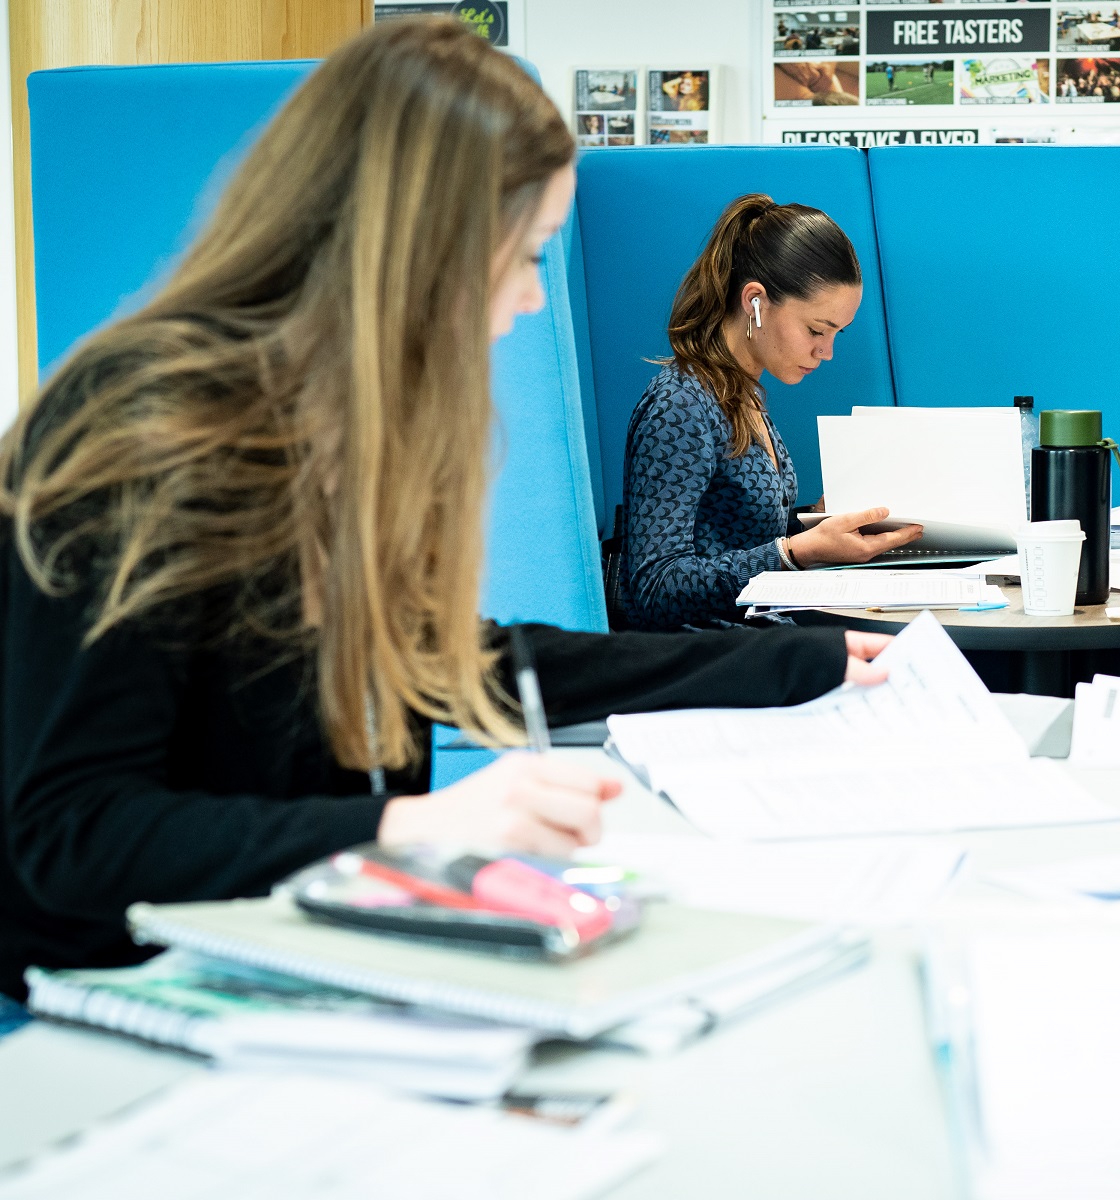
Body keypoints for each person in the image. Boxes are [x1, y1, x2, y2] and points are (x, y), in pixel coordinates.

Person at [0, 20, 890, 1001]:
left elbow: (445, 664)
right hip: (113, 989)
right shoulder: (143, 431)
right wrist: (418, 828)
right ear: (414, 241)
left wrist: (787, 664)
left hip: (287, 945)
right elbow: (73, 833)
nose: (525, 300)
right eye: (521, 256)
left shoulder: (347, 429)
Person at [620, 196, 922, 631]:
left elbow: (737, 537)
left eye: (837, 333)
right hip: (713, 662)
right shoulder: (682, 405)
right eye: (816, 330)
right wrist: (796, 552)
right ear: (755, 301)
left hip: (763, 644)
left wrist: (819, 525)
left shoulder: (743, 394)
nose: (827, 351)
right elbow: (655, 588)